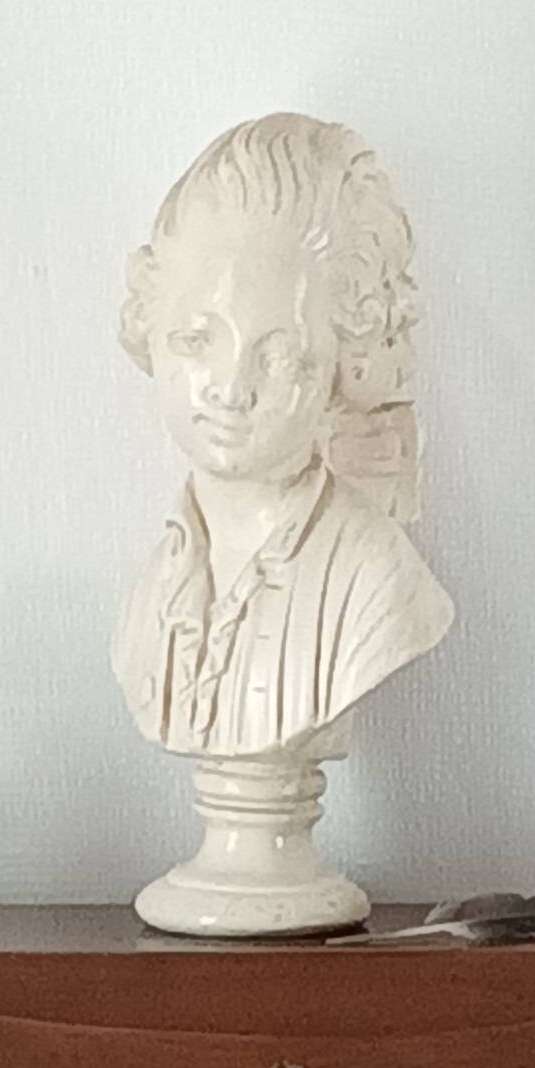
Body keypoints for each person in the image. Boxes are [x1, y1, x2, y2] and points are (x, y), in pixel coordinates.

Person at [113, 114, 454, 760]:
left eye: (277, 355)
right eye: (197, 340)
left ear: (340, 364)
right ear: (149, 328)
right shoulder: (145, 598)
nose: (229, 389)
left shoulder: (375, 579)